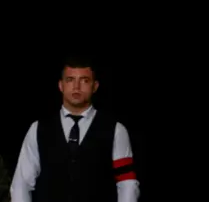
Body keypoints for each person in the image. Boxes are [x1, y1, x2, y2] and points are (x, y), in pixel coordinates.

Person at [10, 55, 140, 202]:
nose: (76, 87)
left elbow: (127, 183)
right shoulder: (38, 128)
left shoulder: (116, 130)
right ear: (61, 85)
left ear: (95, 86)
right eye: (70, 80)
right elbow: (21, 183)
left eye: (84, 80)